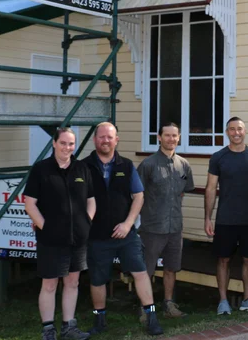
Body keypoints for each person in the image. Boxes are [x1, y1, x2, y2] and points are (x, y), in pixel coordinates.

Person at [82, 122, 162, 336]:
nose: (105, 140)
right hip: (96, 236)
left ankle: (152, 317)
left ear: (116, 140)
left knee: (141, 273)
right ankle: (100, 321)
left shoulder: (126, 165)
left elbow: (139, 196)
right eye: (101, 137)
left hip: (126, 235)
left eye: (110, 137)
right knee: (98, 279)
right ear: (95, 139)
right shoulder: (82, 166)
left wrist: (128, 224)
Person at [24, 127, 96, 340]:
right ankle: (48, 330)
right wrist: (46, 228)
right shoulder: (41, 169)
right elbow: (30, 204)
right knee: (49, 284)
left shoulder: (82, 168)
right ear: (54, 143)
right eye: (63, 143)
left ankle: (68, 327)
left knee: (72, 282)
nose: (67, 147)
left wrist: (86, 223)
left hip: (78, 239)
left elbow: (91, 201)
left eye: (71, 144)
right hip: (51, 240)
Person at [204, 117, 248, 315]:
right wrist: (207, 217)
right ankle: (223, 301)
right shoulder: (218, 157)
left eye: (239, 129)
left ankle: (247, 299)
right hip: (225, 219)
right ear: (227, 132)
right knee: (223, 260)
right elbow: (211, 188)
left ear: (245, 131)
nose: (236, 133)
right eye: (232, 129)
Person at [137, 122, 195, 320]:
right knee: (147, 269)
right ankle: (145, 308)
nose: (171, 139)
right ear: (159, 137)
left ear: (179, 138)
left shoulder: (184, 164)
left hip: (175, 227)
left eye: (175, 135)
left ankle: (169, 304)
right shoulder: (148, 165)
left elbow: (182, 192)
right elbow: (138, 195)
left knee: (171, 267)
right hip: (152, 227)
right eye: (167, 135)